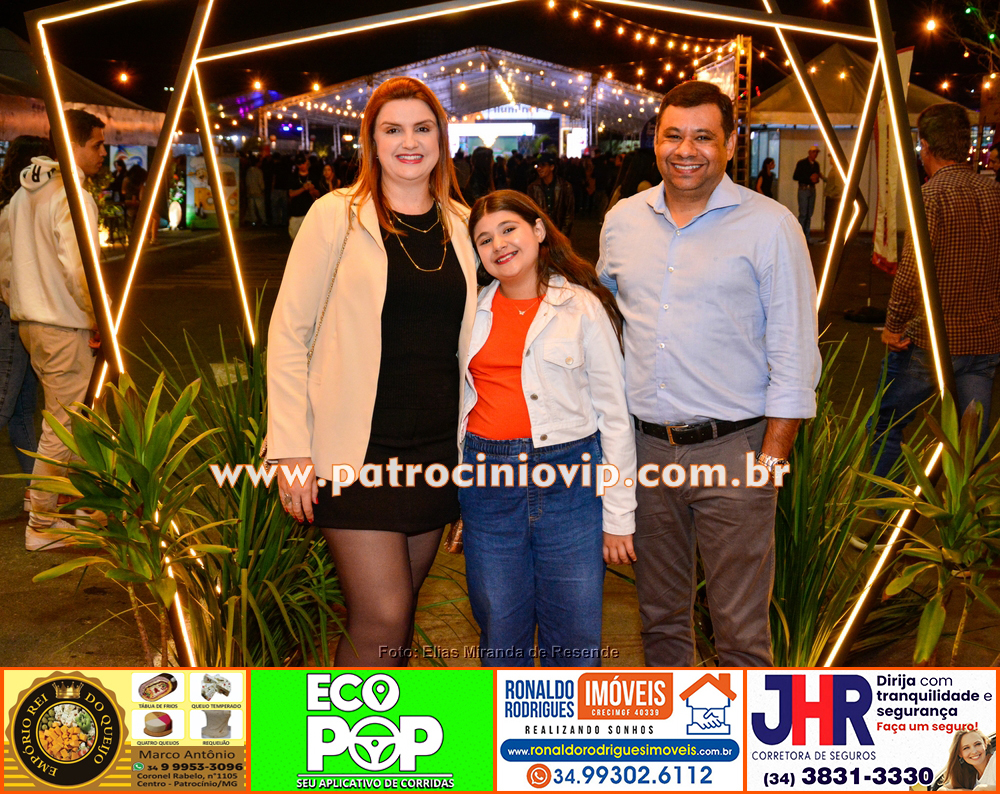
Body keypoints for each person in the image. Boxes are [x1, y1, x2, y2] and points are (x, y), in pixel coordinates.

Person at [597, 81, 821, 667]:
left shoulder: (770, 226)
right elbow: (611, 320)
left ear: (730, 143)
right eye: (673, 135)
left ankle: (743, 730)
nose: (685, 150)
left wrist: (770, 464)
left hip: (736, 452)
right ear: (655, 141)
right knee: (660, 622)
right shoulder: (622, 221)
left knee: (741, 633)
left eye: (703, 136)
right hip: (646, 451)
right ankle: (677, 726)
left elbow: (795, 351)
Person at [267, 77, 478, 667]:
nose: (409, 142)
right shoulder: (335, 216)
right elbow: (288, 334)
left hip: (435, 453)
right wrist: (290, 450)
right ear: (372, 142)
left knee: (397, 618)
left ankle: (378, 726)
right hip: (353, 452)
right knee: (383, 613)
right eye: (393, 130)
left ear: (441, 139)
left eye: (422, 128)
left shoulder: (465, 224)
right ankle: (340, 729)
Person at [461, 190, 636, 667]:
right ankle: (504, 718)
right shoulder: (470, 312)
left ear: (538, 230)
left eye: (508, 229)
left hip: (571, 483)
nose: (498, 245)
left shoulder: (582, 307)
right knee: (500, 633)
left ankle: (568, 721)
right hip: (487, 484)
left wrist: (619, 515)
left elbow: (614, 417)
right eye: (484, 240)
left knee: (574, 636)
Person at [872, 103, 1000, 480]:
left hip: (933, 342)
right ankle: (961, 513)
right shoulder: (994, 193)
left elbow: (911, 274)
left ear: (925, 147)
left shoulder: (930, 197)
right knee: (970, 441)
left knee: (886, 423)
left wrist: (893, 325)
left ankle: (886, 507)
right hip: (985, 342)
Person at [9, 108, 105, 551]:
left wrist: (21, 302)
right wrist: (97, 316)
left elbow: (6, 261)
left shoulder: (22, 195)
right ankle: (42, 522)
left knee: (79, 416)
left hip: (32, 321)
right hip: (64, 322)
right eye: (97, 144)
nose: (103, 153)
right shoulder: (71, 195)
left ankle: (87, 507)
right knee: (64, 423)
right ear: (74, 144)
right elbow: (80, 267)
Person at [0, 136, 50, 478]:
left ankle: (40, 491)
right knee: (5, 405)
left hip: (20, 311)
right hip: (12, 312)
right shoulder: (16, 208)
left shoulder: (17, 204)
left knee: (21, 410)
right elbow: (9, 270)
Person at [528, 152, 575, 237]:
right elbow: (531, 213)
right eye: (538, 166)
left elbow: (569, 214)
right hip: (541, 234)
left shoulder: (565, 186)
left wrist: (562, 235)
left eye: (543, 165)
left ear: (552, 167)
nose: (539, 169)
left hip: (559, 232)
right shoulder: (533, 188)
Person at [792, 144, 824, 243]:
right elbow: (795, 176)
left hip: (812, 189)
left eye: (816, 153)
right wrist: (809, 178)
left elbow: (816, 179)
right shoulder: (802, 163)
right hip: (804, 188)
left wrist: (816, 179)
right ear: (809, 153)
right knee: (803, 214)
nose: (815, 154)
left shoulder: (816, 165)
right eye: (814, 152)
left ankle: (807, 236)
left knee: (809, 214)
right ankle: (800, 237)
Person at [287, 155, 319, 240]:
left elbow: (318, 194)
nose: (302, 165)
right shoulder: (293, 176)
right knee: (294, 236)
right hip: (296, 212)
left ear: (307, 162)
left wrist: (312, 189)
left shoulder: (313, 176)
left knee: (310, 237)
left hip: (309, 211)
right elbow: (290, 194)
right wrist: (303, 189)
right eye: (299, 164)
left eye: (303, 163)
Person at [823, 154, 844, 242]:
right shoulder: (834, 169)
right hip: (832, 198)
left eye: (831, 157)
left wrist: (831, 195)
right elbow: (831, 182)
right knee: (828, 218)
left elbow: (838, 187)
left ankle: (830, 238)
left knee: (831, 219)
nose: (830, 159)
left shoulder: (837, 170)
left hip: (834, 199)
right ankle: (828, 238)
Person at [245, 156, 266, 226]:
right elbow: (261, 182)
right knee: (260, 208)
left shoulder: (248, 171)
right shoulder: (258, 171)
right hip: (258, 192)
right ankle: (263, 220)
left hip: (250, 192)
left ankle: (253, 221)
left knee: (252, 208)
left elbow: (247, 182)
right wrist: (263, 189)